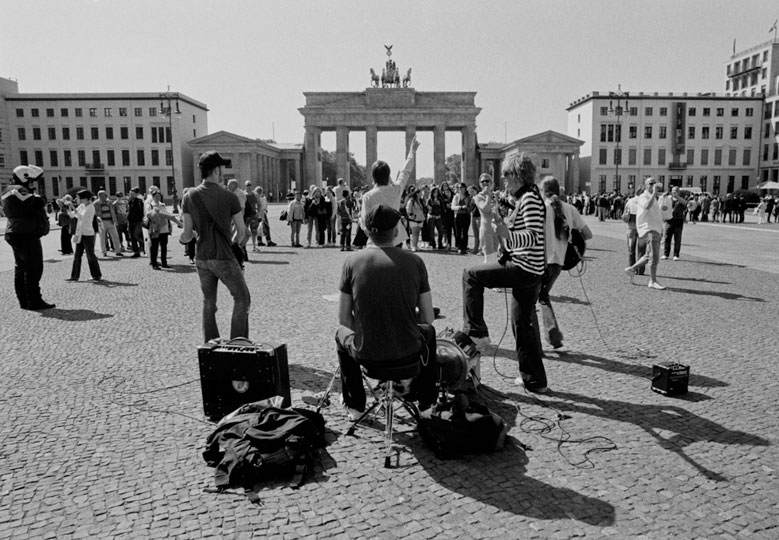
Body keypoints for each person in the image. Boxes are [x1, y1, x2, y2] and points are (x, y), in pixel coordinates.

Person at [335, 204, 438, 420]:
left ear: (368, 231)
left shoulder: (351, 262)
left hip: (368, 355)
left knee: (340, 335)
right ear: (395, 231)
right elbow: (427, 317)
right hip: (408, 353)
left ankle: (355, 406)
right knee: (429, 332)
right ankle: (427, 402)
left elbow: (344, 318)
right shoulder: (415, 261)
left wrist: (366, 334)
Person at [461, 154, 548, 393]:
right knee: (523, 325)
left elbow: (531, 237)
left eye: (507, 174)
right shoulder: (526, 197)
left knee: (470, 274)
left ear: (518, 175)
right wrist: (494, 215)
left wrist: (505, 232)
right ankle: (535, 380)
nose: (503, 178)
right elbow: (513, 231)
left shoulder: (529, 199)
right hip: (532, 269)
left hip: (524, 267)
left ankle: (476, 331)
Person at [180, 151, 251, 342]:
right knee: (242, 298)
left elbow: (187, 235)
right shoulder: (230, 197)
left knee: (209, 302)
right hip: (224, 256)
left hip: (202, 257)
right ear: (217, 170)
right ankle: (238, 344)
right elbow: (242, 231)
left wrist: (186, 238)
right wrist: (235, 243)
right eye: (222, 168)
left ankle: (210, 345)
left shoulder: (189, 196)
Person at [538, 176, 592, 353]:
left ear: (543, 191)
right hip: (559, 262)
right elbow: (588, 234)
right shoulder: (570, 208)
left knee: (531, 299)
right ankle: (554, 339)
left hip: (540, 260)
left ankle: (540, 342)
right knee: (543, 296)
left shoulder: (542, 208)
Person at [2, 165, 55, 309]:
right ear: (23, 177)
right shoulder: (17, 190)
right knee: (33, 268)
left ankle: (24, 300)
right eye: (31, 181)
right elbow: (36, 202)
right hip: (25, 233)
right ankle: (34, 300)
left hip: (17, 232)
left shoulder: (9, 190)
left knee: (21, 268)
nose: (33, 184)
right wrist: (37, 196)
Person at [360, 137, 420, 248]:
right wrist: (412, 152)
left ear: (373, 176)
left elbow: (364, 223)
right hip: (395, 238)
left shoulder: (367, 196)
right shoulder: (396, 190)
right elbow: (405, 172)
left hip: (375, 240)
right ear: (388, 175)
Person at [624, 177, 666, 290]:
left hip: (655, 229)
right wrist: (654, 194)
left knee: (648, 255)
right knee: (655, 256)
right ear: (646, 186)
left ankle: (631, 269)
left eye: (654, 183)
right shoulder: (644, 196)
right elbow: (647, 206)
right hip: (649, 229)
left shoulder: (654, 197)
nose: (653, 185)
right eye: (651, 184)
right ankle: (653, 280)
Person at [66, 190, 102, 282]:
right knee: (77, 255)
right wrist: (69, 208)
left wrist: (74, 208)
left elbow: (83, 218)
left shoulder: (90, 207)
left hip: (88, 233)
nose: (77, 199)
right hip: (79, 233)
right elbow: (73, 216)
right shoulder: (81, 206)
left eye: (78, 197)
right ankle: (74, 276)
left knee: (90, 255)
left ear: (84, 198)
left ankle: (96, 275)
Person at [145, 191, 182, 269]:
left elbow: (168, 215)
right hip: (155, 229)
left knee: (164, 247)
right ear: (153, 197)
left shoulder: (163, 205)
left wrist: (169, 226)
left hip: (164, 228)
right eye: (156, 196)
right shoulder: (150, 206)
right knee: (154, 247)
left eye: (159, 196)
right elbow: (148, 215)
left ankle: (164, 262)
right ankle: (154, 263)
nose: (158, 198)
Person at [473, 173, 499, 264]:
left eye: (487, 181)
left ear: (491, 183)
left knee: (495, 257)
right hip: (486, 229)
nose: (485, 183)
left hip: (496, 229)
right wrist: (488, 196)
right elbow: (485, 209)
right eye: (482, 181)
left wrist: (497, 201)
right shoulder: (478, 197)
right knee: (489, 258)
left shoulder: (495, 196)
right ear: (480, 184)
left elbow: (498, 212)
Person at [623, 187, 646, 275]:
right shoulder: (645, 202)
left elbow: (625, 213)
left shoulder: (630, 201)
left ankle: (632, 267)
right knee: (642, 250)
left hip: (631, 226)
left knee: (631, 249)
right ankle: (640, 270)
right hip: (642, 226)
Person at [94, 190, 123, 257]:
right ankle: (104, 252)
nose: (103, 197)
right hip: (102, 222)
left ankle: (118, 251)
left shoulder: (109, 202)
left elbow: (113, 212)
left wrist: (115, 220)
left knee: (115, 236)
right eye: (101, 195)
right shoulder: (96, 203)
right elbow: (95, 213)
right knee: (102, 238)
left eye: (104, 195)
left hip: (110, 221)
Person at [661, 186, 686, 261]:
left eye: (675, 191)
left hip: (678, 221)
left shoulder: (681, 199)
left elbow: (684, 203)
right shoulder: (668, 199)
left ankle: (676, 255)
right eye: (672, 191)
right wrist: (663, 197)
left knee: (677, 239)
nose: (673, 192)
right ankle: (666, 254)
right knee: (667, 238)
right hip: (669, 220)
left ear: (678, 192)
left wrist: (677, 197)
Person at [405, 184, 426, 251]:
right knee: (414, 233)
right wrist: (411, 215)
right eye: (420, 193)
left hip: (420, 218)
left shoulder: (422, 201)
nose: (421, 194)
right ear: (417, 193)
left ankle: (416, 245)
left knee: (417, 233)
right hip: (413, 219)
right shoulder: (411, 200)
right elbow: (408, 209)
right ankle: (413, 246)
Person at [127, 187, 146, 257]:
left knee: (137, 235)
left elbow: (142, 211)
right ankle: (136, 252)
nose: (132, 195)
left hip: (138, 221)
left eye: (133, 194)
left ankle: (145, 248)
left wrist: (142, 219)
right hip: (130, 221)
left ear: (136, 194)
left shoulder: (139, 201)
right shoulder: (129, 201)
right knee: (132, 237)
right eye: (131, 194)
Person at [243, 181, 261, 252]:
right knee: (244, 232)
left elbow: (259, 205)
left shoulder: (255, 194)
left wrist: (258, 213)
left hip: (253, 215)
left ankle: (254, 246)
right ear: (245, 186)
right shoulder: (243, 194)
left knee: (254, 231)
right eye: (247, 185)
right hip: (246, 216)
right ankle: (244, 247)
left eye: (250, 185)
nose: (249, 186)